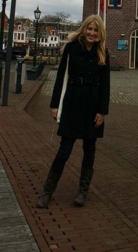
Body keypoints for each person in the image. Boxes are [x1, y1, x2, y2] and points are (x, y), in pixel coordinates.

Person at [37, 14, 110, 208]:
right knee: (65, 150)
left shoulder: (102, 52)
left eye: (96, 30)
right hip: (73, 102)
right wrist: (54, 105)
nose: (92, 33)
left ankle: (82, 191)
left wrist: (102, 112)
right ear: (84, 28)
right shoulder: (71, 49)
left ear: (99, 33)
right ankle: (47, 191)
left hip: (92, 105)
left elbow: (105, 84)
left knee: (89, 149)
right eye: (89, 29)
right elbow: (60, 77)